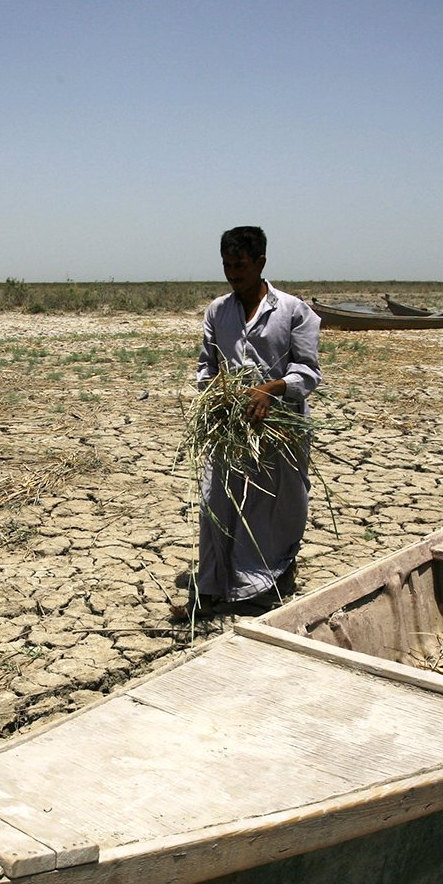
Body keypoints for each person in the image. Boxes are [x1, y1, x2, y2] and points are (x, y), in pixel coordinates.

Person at [173, 226, 321, 620]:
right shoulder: (218, 311)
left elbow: (307, 373)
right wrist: (218, 390)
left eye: (240, 266)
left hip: (281, 428)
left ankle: (262, 584)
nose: (233, 274)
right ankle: (209, 590)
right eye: (227, 266)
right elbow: (207, 366)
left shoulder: (293, 311)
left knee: (271, 507)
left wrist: (272, 388)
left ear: (260, 263)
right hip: (230, 427)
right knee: (216, 503)